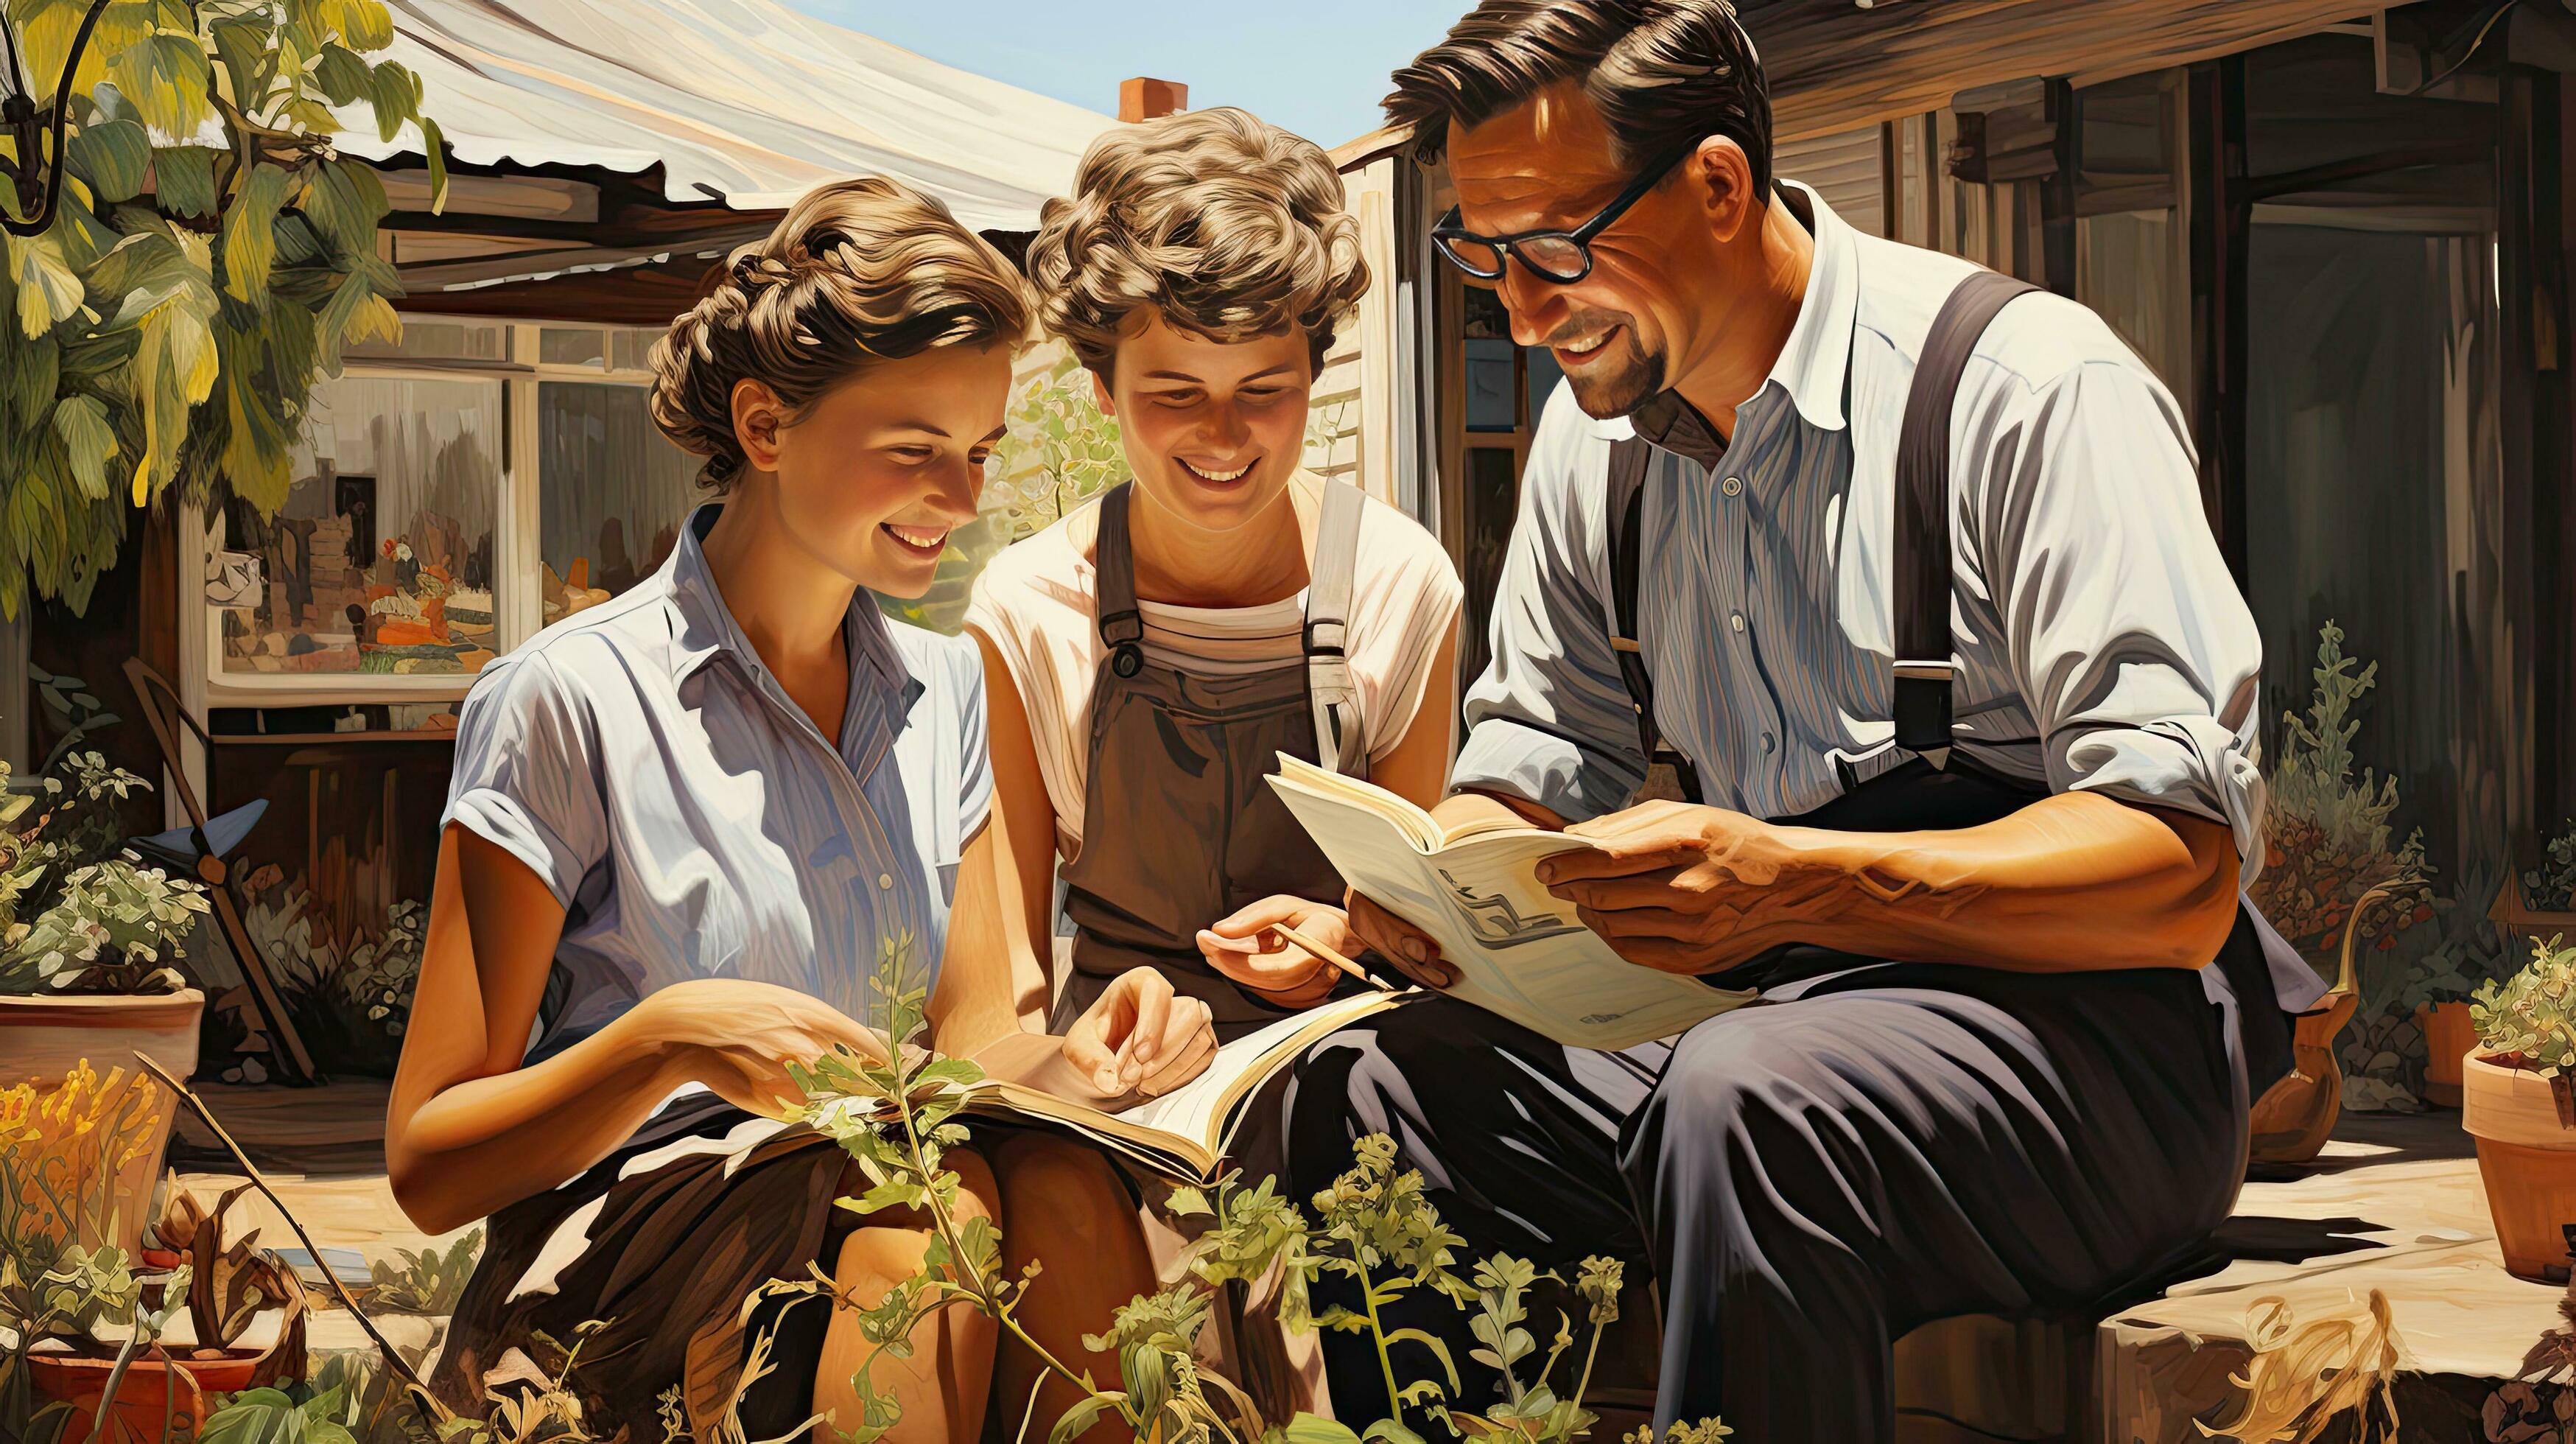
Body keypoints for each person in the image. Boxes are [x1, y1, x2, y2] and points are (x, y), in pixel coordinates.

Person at [1281, 4, 2326, 1440]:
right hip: (1768, 1014)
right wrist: (1434, 888)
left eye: (1553, 249)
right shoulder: (1594, 450)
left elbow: (2178, 866)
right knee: (1371, 1085)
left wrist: (1800, 880)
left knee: (1744, 1098)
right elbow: (1525, 767)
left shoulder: (2024, 391)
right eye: (1482, 254)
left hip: (2096, 1050)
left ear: (1715, 185)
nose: (1516, 311)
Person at [386, 178, 1217, 1443]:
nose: (964, 495)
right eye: (913, 447)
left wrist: (1093, 1054)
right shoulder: (567, 699)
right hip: (639, 1251)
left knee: (1058, 1185)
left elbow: (981, 1035)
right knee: (933, 1221)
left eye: (980, 450)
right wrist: (663, 1039)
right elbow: (427, 1162)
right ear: (765, 426)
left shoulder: (949, 688)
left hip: (898, 1192)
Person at [965, 108, 1464, 1042]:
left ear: (1313, 376)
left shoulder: (1403, 584)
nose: (1225, 438)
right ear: (1104, 388)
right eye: (1175, 393)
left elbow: (1415, 930)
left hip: (1350, 1065)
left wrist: (1350, 936)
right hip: (1110, 1072)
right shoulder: (1027, 610)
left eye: (1264, 390)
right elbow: (1011, 977)